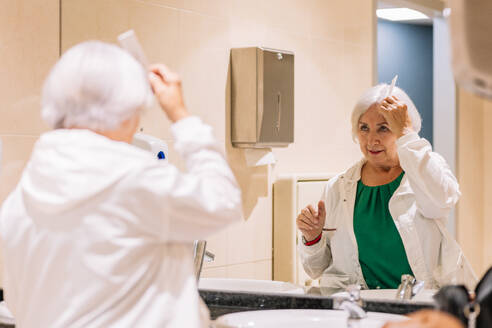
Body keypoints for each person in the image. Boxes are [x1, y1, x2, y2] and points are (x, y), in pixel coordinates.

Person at [0, 41, 242, 327]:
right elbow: (223, 201)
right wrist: (180, 114)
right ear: (127, 111)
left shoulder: (18, 201)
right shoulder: (136, 181)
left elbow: (20, 303)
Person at [296, 84, 474, 292]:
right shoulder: (338, 187)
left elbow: (442, 202)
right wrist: (313, 237)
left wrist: (407, 134)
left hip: (418, 306)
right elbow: (315, 269)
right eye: (364, 128)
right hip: (361, 309)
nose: (372, 140)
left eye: (384, 127)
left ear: (402, 128)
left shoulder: (424, 172)